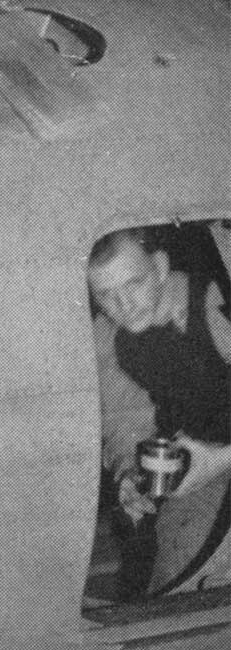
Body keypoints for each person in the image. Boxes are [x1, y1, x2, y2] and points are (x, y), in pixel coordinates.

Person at [89, 226, 231, 593]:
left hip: (217, 461)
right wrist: (129, 474)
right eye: (106, 294)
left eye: (133, 284)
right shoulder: (109, 335)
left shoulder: (214, 298)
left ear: (161, 267)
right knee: (158, 574)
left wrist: (219, 459)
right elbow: (125, 419)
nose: (124, 305)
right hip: (197, 468)